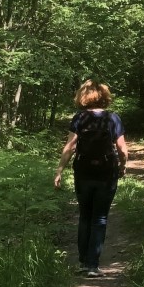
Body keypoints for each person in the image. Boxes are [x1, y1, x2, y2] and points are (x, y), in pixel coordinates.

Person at [53, 80, 128, 277]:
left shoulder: (79, 118)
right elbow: (122, 150)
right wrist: (122, 166)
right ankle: (93, 266)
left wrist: (59, 170)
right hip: (106, 172)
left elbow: (69, 148)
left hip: (83, 172)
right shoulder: (113, 118)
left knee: (85, 216)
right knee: (100, 218)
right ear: (104, 96)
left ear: (83, 96)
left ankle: (83, 262)